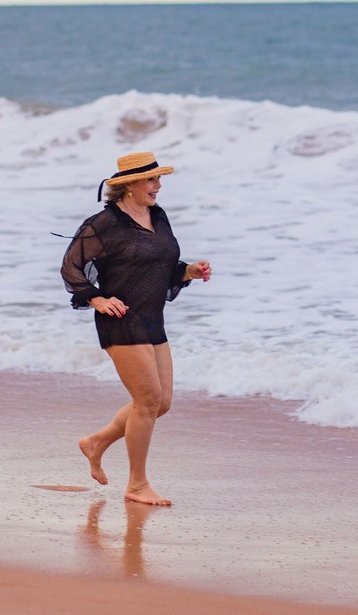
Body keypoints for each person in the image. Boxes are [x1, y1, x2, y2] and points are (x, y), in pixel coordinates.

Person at [61, 151, 211, 506]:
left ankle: (96, 442)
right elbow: (71, 268)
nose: (158, 187)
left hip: (152, 317)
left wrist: (189, 272)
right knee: (147, 401)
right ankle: (137, 484)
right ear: (129, 185)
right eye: (151, 180)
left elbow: (164, 266)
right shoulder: (103, 224)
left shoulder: (157, 216)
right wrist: (97, 299)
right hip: (121, 318)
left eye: (159, 180)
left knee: (162, 403)